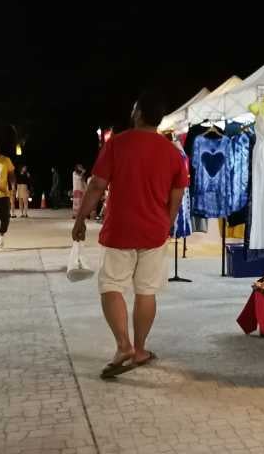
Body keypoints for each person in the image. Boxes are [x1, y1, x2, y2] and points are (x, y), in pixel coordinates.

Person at [72, 91, 187, 379]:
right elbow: (177, 193)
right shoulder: (173, 152)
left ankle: (122, 345)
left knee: (112, 285)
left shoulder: (118, 144)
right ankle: (139, 349)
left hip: (120, 228)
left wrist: (82, 217)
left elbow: (97, 184)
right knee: (146, 291)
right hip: (154, 230)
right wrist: (167, 223)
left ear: (137, 113)